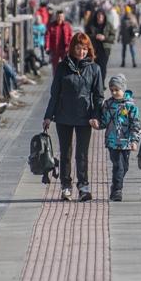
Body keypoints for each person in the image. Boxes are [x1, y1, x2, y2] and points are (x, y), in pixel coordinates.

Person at [43, 32, 103, 202]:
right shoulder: (63, 67)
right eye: (78, 48)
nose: (81, 52)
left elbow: (98, 96)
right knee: (66, 153)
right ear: (72, 48)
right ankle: (66, 186)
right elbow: (55, 93)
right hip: (63, 116)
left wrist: (96, 115)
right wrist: (48, 116)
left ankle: (84, 187)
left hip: (85, 117)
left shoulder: (94, 69)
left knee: (82, 154)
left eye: (84, 48)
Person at [99, 74, 141, 202]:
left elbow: (136, 124)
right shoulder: (108, 104)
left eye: (117, 90)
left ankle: (115, 186)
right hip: (113, 141)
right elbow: (104, 121)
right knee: (118, 165)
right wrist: (97, 124)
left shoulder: (130, 106)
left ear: (123, 89)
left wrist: (134, 140)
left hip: (126, 142)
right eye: (112, 90)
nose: (114, 92)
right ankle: (117, 190)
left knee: (125, 166)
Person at [86, 9, 116, 82]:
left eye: (101, 15)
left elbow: (113, 36)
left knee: (102, 68)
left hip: (104, 50)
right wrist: (95, 36)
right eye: (98, 15)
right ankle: (94, 83)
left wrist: (104, 38)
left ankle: (101, 84)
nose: (100, 17)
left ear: (104, 16)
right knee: (93, 67)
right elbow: (86, 35)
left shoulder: (108, 24)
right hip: (93, 49)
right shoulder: (91, 24)